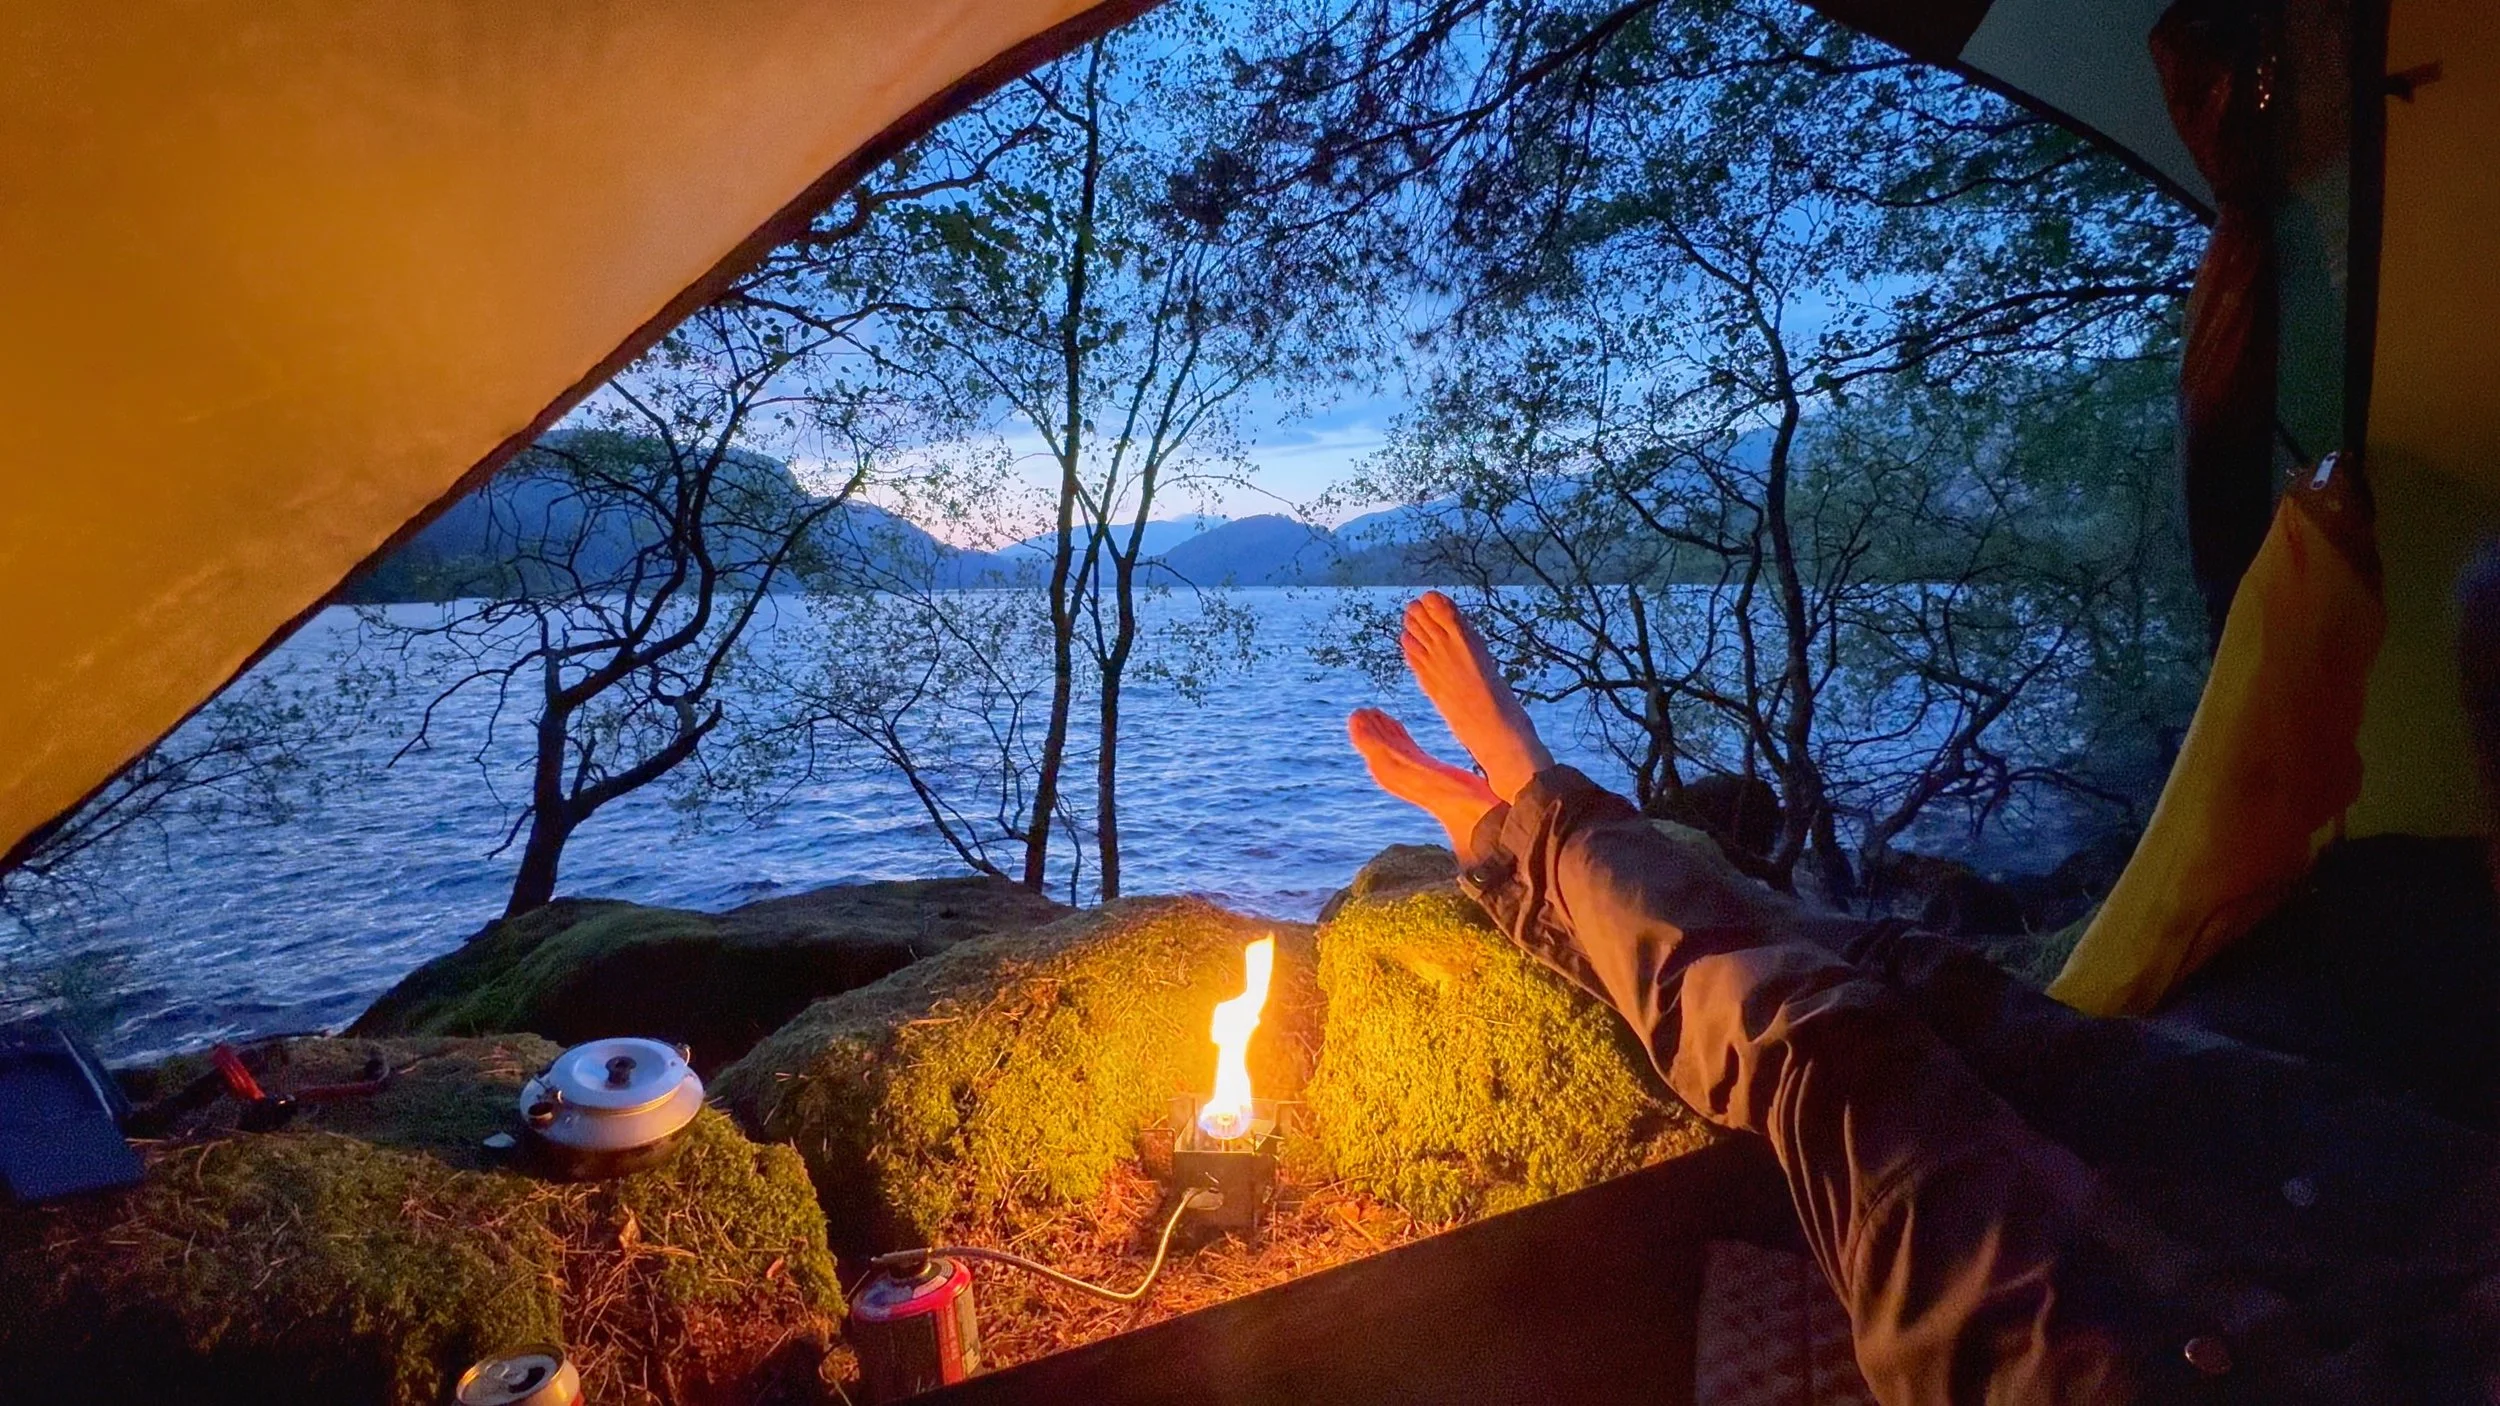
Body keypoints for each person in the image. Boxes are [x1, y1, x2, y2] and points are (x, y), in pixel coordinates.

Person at [1346, 591, 2500, 1405]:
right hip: (2427, 1216)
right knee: (1949, 994)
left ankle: (1527, 816)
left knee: (1824, 1052)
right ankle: (1519, 838)